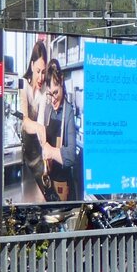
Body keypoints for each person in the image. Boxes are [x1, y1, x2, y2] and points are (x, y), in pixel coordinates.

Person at [41, 59, 78, 202]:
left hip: (64, 186)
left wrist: (50, 151)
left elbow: (70, 157)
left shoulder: (68, 111)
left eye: (55, 93)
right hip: (49, 180)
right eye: (49, 94)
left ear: (61, 81)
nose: (53, 99)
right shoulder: (48, 110)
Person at [20, 39, 50, 190]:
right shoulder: (23, 85)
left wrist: (45, 150)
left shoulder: (43, 92)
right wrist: (39, 128)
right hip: (23, 156)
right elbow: (25, 122)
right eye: (38, 71)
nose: (41, 77)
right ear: (32, 66)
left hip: (37, 157)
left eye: (44, 72)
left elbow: (40, 121)